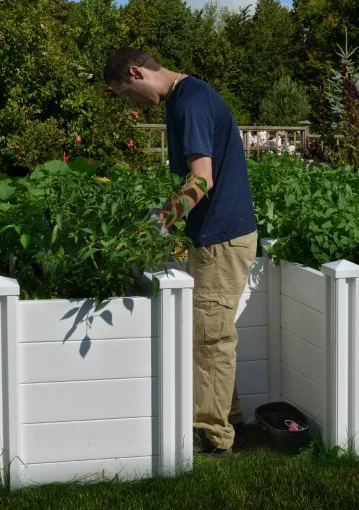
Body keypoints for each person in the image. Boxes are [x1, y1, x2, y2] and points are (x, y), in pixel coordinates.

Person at [104, 47, 258, 456]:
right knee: (210, 331)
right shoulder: (185, 97)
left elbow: (202, 179)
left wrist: (159, 224)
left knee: (210, 338)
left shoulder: (189, 102)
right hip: (217, 234)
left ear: (138, 72)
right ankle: (231, 419)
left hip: (222, 237)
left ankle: (213, 438)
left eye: (126, 92)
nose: (131, 103)